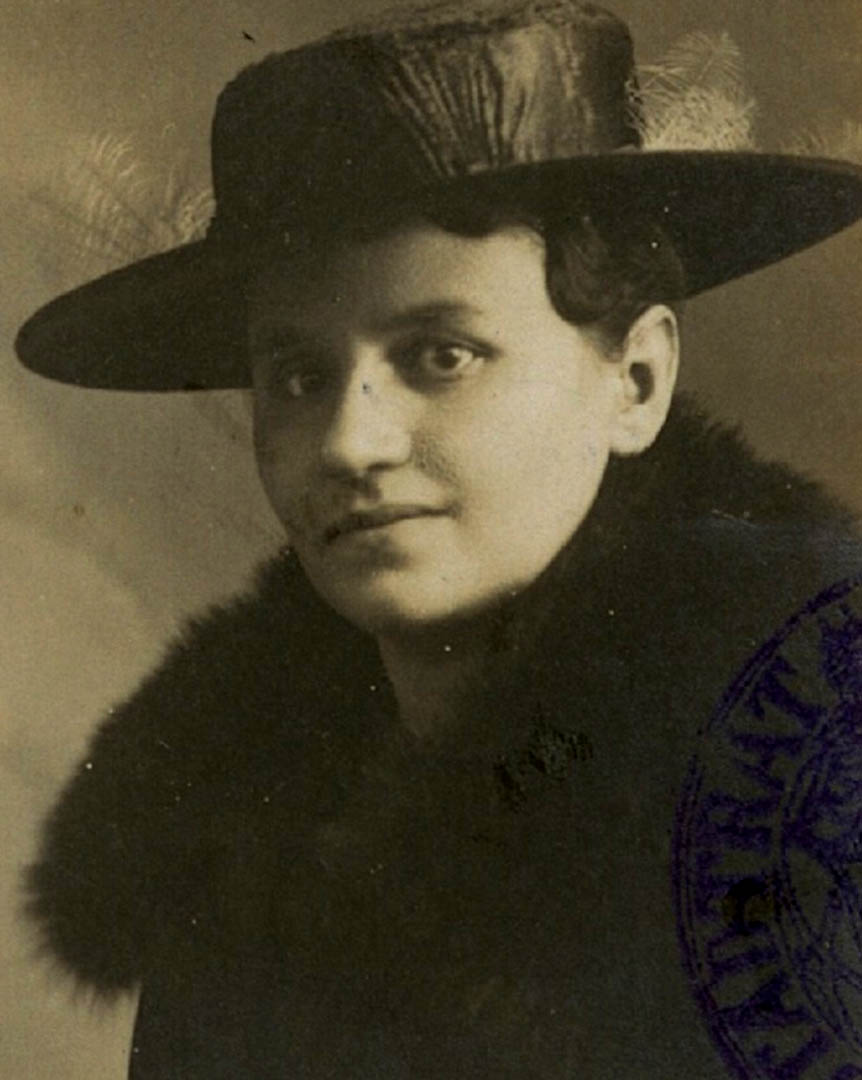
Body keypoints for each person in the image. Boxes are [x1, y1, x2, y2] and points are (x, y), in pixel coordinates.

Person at [14, 1, 862, 1076]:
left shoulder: (808, 773)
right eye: (298, 377)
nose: (348, 442)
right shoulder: (237, 847)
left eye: (441, 356)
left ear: (637, 381)